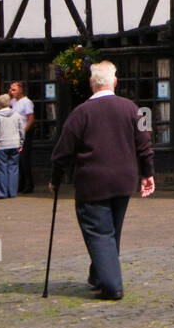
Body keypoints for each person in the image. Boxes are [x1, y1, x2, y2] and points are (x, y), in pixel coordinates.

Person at [50, 61, 155, 301]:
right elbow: (145, 143)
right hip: (124, 181)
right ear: (115, 82)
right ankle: (98, 275)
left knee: (100, 232)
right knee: (111, 231)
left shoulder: (80, 113)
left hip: (93, 182)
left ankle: (111, 285)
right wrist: (147, 173)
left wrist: (55, 179)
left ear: (91, 84)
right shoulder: (133, 109)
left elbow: (62, 152)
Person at [0, 93, 24, 199]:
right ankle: (12, 192)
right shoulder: (16, 114)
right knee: (13, 168)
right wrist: (21, 142)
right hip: (14, 144)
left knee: (1, 169)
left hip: (2, 145)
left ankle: (2, 193)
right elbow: (21, 130)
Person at [8, 81, 35, 194]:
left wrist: (24, 131)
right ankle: (20, 183)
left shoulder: (27, 102)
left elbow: (31, 118)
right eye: (10, 89)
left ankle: (29, 184)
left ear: (21, 90)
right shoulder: (12, 101)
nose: (11, 91)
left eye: (14, 89)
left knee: (24, 159)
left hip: (24, 133)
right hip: (14, 133)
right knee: (17, 160)